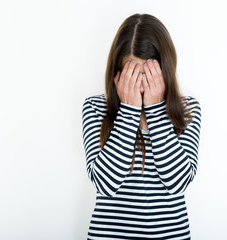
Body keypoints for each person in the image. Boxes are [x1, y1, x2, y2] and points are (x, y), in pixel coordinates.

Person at [81, 13, 202, 240]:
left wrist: (156, 111)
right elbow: (105, 184)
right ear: (117, 72)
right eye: (132, 73)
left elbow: (178, 183)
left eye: (148, 74)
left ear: (164, 71)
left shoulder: (188, 110)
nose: (141, 83)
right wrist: (129, 111)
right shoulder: (95, 108)